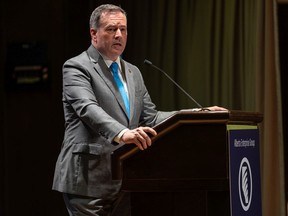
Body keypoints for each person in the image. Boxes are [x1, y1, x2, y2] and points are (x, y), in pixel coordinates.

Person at [52, 4, 226, 216]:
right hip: (88, 179)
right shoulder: (76, 67)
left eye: (123, 30)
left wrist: (197, 114)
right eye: (111, 29)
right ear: (94, 33)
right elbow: (88, 109)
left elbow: (151, 118)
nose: (119, 35)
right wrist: (123, 133)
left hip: (126, 177)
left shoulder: (133, 72)